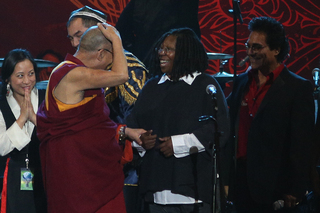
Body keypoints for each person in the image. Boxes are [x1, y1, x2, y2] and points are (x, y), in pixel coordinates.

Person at [36, 24, 145, 213]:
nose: (107, 68)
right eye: (109, 61)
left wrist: (125, 131)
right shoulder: (74, 73)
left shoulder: (65, 70)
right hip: (79, 177)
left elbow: (93, 126)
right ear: (101, 53)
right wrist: (117, 40)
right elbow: (121, 75)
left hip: (84, 169)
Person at [126, 28, 229, 213]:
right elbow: (132, 125)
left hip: (192, 192)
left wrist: (178, 144)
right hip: (154, 189)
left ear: (185, 53)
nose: (161, 53)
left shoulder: (205, 85)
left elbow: (218, 129)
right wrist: (141, 141)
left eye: (169, 49)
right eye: (161, 48)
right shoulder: (151, 87)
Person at [224, 16, 315, 212]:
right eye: (248, 46)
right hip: (241, 183)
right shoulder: (241, 82)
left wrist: (295, 188)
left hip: (276, 187)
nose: (250, 52)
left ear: (276, 50)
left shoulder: (297, 88)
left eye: (257, 47)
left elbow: (303, 144)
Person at [67, 6, 148, 213]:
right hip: (91, 164)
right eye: (71, 39)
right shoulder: (79, 71)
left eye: (79, 36)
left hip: (124, 168)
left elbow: (139, 122)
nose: (75, 44)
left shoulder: (131, 69)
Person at [0, 49, 47, 212]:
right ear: (8, 79)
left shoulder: (46, 98)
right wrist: (21, 119)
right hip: (14, 174)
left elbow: (57, 135)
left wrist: (34, 118)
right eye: (20, 76)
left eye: (31, 74)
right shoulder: (1, 105)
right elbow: (2, 147)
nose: (27, 81)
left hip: (45, 171)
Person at [115, 0, 201, 64]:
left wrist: (136, 52)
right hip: (173, 65)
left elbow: (121, 31)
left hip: (143, 62)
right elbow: (191, 34)